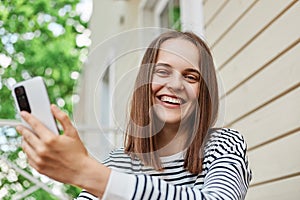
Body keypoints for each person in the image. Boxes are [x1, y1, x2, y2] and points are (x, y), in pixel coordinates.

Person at [16, 31, 252, 200]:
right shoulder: (118, 163)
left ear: (204, 91)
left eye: (191, 76)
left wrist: (88, 172)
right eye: (162, 71)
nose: (175, 84)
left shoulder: (223, 145)